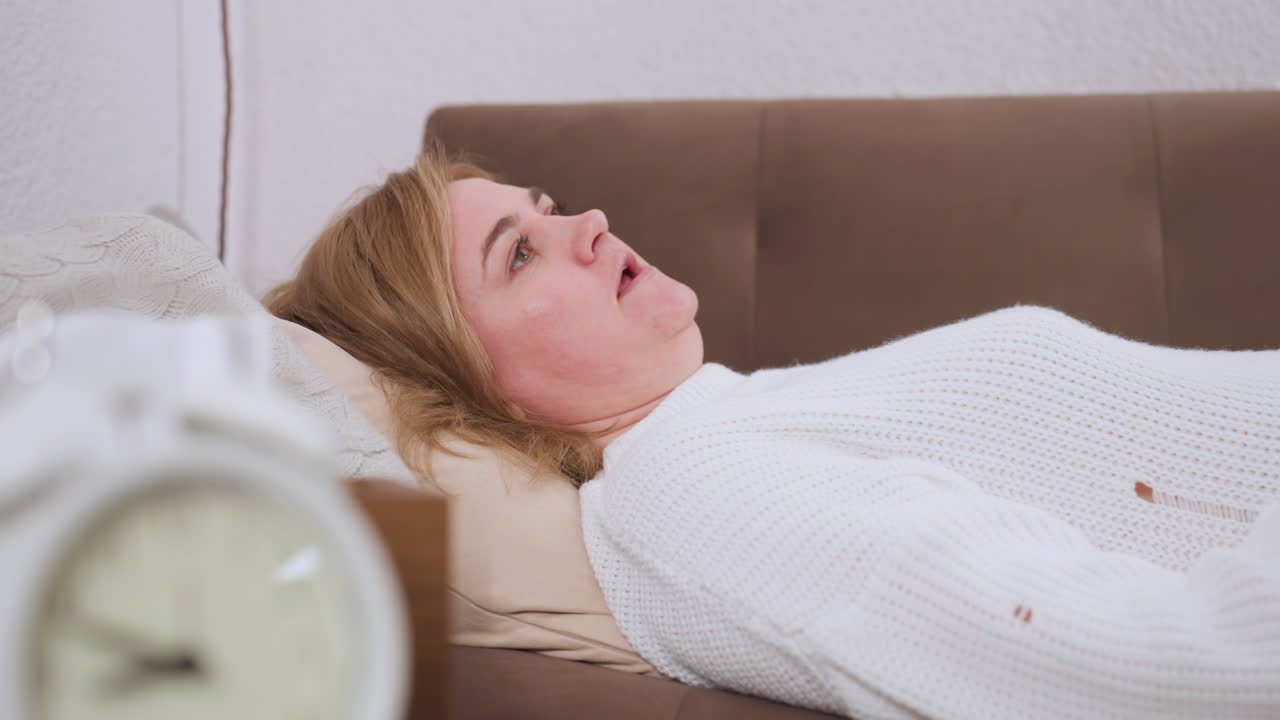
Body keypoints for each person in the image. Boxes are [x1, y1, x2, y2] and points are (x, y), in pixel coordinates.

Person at [267, 147, 1280, 719]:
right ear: (478, 389)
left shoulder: (727, 423)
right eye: (519, 255)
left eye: (554, 207)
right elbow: (1170, 670)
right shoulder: (692, 488)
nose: (589, 222)